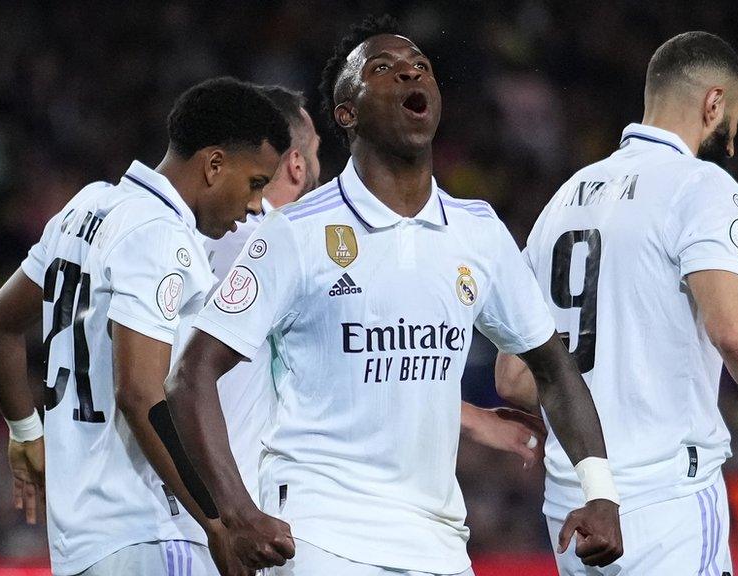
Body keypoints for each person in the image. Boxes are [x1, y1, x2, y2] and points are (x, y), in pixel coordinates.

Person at [164, 15, 623, 576]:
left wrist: (600, 490)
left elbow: (552, 367)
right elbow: (191, 373)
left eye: (420, 68)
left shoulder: (477, 232)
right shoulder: (295, 234)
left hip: (439, 543)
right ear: (346, 113)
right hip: (322, 535)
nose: (410, 74)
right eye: (383, 69)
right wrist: (236, 515)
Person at [496, 31, 738, 575]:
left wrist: (606, 382)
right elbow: (735, 334)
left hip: (572, 507)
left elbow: (514, 377)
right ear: (713, 102)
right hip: (665, 505)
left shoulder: (562, 200)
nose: (732, 142)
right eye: (735, 124)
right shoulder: (701, 187)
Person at [0, 77, 289, 576]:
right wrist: (218, 524)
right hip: (148, 534)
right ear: (213, 165)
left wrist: (25, 431)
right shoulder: (159, 234)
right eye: (254, 184)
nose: (254, 206)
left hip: (79, 543)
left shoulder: (87, 206)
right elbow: (139, 394)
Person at [191, 85, 555, 510]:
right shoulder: (281, 246)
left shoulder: (203, 241)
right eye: (315, 153)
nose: (320, 169)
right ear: (294, 165)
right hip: (242, 503)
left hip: (194, 496)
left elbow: (352, 371)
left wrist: (472, 420)